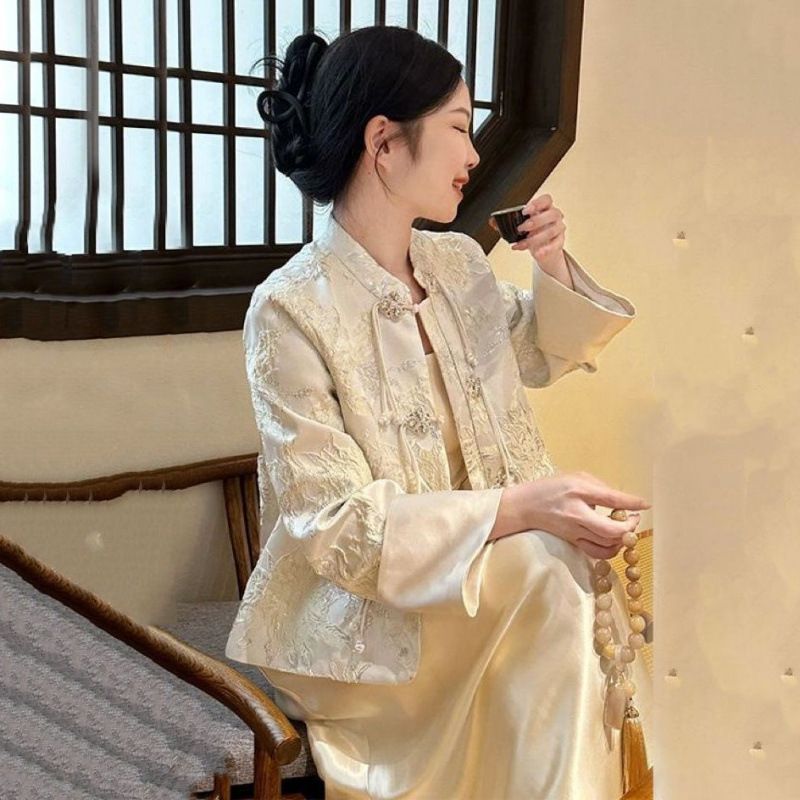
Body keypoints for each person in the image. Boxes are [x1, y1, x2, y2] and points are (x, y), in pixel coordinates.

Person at [225, 25, 652, 800]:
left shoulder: (456, 265)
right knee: (549, 570)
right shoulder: (290, 310)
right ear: (384, 144)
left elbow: (540, 350)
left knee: (552, 571)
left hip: (497, 584)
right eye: (458, 127)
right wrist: (524, 508)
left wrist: (551, 263)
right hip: (367, 622)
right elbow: (338, 530)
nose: (474, 155)